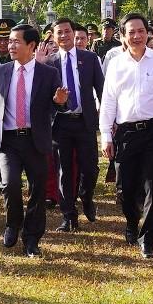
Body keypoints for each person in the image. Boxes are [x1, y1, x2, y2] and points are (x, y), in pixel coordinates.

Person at [0, 24, 68, 257]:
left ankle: (32, 238)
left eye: (16, 41)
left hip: (35, 141)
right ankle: (12, 224)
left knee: (38, 191)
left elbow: (56, 105)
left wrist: (59, 101)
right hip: (8, 141)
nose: (11, 45)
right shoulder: (2, 71)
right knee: (10, 184)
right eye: (9, 41)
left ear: (32, 46)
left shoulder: (48, 73)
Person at [98, 13, 153, 259]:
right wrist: (106, 135)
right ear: (123, 36)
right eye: (131, 32)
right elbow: (108, 102)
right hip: (126, 134)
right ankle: (131, 222)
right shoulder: (115, 64)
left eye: (141, 31)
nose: (136, 36)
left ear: (149, 34)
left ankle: (148, 240)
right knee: (125, 189)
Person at [45, 18, 105, 232]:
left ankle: (86, 197)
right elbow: (44, 98)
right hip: (60, 124)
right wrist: (56, 101)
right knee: (64, 171)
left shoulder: (90, 58)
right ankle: (69, 216)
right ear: (53, 36)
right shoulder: (49, 62)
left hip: (85, 121)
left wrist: (106, 120)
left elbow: (102, 90)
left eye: (67, 31)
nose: (64, 36)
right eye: (59, 32)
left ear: (74, 33)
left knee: (90, 169)